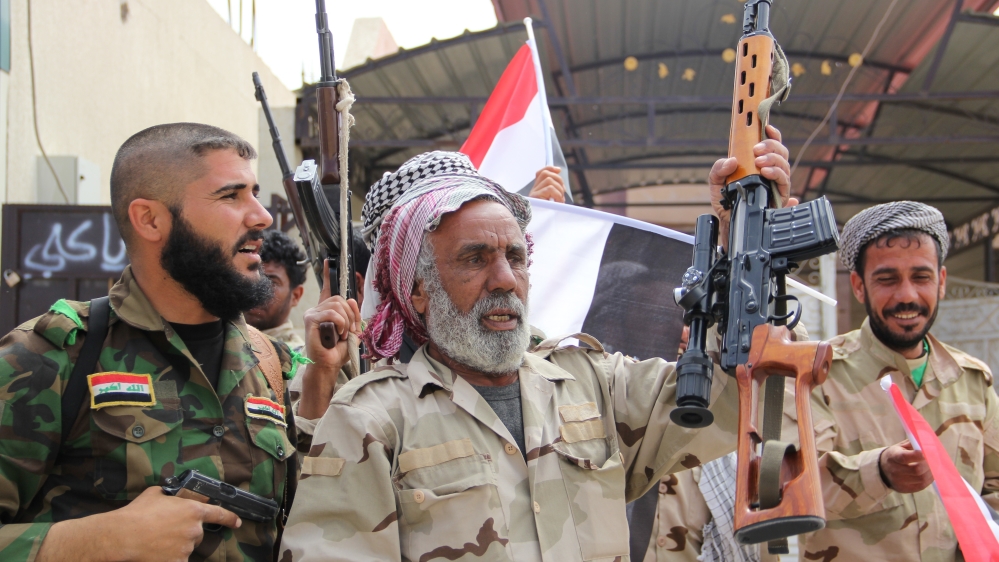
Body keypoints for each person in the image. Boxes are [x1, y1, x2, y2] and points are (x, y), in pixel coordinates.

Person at [279, 129, 794, 561]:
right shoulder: (370, 420)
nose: (506, 279)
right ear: (416, 287)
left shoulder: (594, 382)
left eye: (516, 257)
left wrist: (746, 235)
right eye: (475, 259)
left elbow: (733, 397)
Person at [0, 123, 360, 562]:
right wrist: (98, 541)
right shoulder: (49, 357)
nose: (262, 216)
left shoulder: (267, 361)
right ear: (150, 219)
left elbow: (302, 516)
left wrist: (322, 378)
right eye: (231, 195)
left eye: (254, 192)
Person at [787, 201, 999, 561]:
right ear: (858, 286)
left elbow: (993, 487)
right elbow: (794, 489)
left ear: (941, 282)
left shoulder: (971, 379)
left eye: (921, 277)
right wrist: (880, 472)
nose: (907, 296)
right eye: (887, 279)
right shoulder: (817, 374)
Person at [245, 229, 310, 352]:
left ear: (296, 295)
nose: (258, 288)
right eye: (252, 277)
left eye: (272, 282)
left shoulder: (298, 360)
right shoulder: (222, 341)